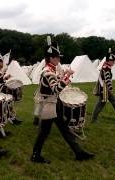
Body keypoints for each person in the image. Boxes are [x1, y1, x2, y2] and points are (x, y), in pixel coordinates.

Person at [31, 36, 95, 164]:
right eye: (57, 57)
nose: (59, 59)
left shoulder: (52, 70)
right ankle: (35, 156)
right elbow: (56, 89)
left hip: (54, 104)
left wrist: (65, 75)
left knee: (64, 130)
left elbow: (57, 82)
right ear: (51, 58)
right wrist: (67, 78)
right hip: (49, 105)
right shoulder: (47, 71)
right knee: (44, 132)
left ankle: (79, 152)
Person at [91, 48, 115, 123]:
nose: (113, 62)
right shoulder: (106, 68)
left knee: (113, 103)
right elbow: (107, 80)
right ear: (109, 61)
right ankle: (94, 119)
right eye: (112, 61)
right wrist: (110, 89)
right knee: (102, 104)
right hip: (104, 89)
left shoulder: (106, 67)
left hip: (104, 89)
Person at [0, 50, 22, 125]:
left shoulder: (0, 70)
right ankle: (3, 120)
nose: (1, 63)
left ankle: (12, 118)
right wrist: (4, 77)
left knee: (9, 105)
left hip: (3, 91)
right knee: (2, 107)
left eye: (1, 62)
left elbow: (2, 80)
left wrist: (6, 77)